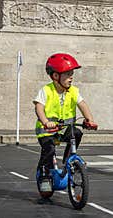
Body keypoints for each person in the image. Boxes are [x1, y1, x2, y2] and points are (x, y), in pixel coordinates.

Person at [33, 53, 97, 193]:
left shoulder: (73, 91)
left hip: (65, 129)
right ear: (56, 76)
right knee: (49, 150)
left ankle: (68, 159)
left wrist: (90, 120)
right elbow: (39, 107)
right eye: (68, 74)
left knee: (77, 133)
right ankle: (44, 175)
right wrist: (45, 122)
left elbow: (83, 105)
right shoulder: (46, 90)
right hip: (47, 131)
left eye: (72, 74)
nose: (71, 77)